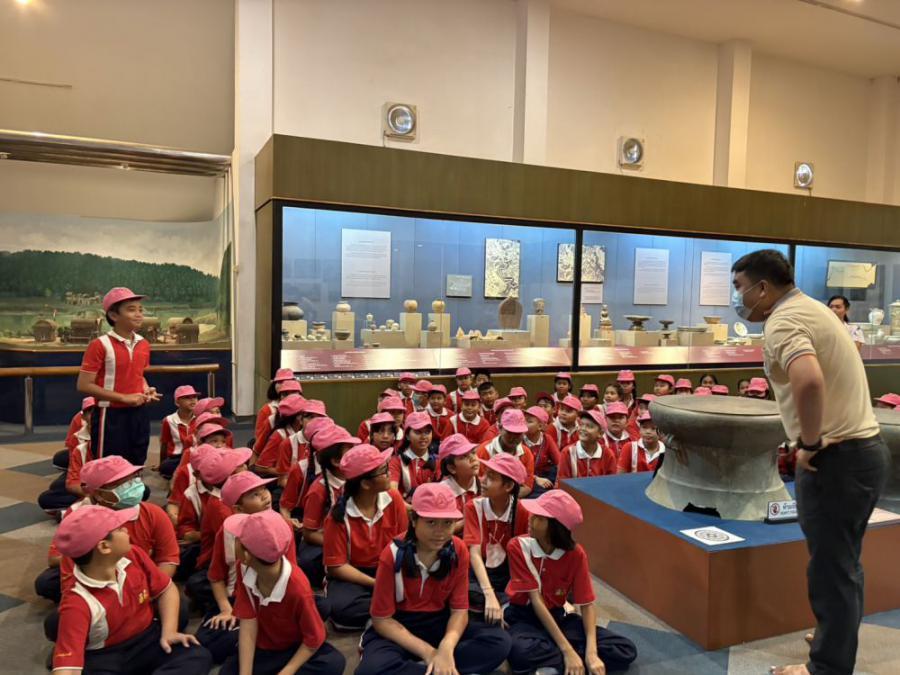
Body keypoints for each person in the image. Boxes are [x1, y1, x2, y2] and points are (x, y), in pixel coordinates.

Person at [732, 249, 888, 675]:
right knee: (843, 562)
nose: (737, 298)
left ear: (763, 287)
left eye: (739, 288)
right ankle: (833, 637)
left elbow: (809, 379)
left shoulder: (783, 321)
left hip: (837, 459)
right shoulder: (813, 308)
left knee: (831, 570)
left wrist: (811, 442)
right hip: (864, 451)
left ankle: (826, 667)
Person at [356, 483, 512, 675]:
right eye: (431, 522)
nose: (440, 531)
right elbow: (382, 620)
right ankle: (439, 668)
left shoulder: (458, 550)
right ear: (414, 520)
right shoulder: (393, 554)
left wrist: (447, 646)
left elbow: (459, 610)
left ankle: (429, 668)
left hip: (439, 621)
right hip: (400, 625)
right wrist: (429, 653)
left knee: (499, 643)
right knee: (371, 669)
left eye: (448, 523)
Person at [50, 505, 210, 675]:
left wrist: (169, 632)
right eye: (120, 529)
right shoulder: (77, 601)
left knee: (197, 656)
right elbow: (66, 668)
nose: (126, 530)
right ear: (104, 547)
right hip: (105, 655)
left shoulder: (134, 554)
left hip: (147, 637)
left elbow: (167, 589)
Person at [504, 490, 637, 675]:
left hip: (558, 617)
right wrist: (568, 651)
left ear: (555, 527)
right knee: (521, 652)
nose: (530, 519)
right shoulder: (518, 546)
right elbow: (536, 601)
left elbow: (587, 604)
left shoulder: (576, 554)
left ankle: (557, 664)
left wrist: (592, 653)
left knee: (625, 649)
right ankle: (570, 660)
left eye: (539, 518)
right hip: (523, 616)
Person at [36, 455, 178, 606]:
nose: (132, 485)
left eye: (133, 478)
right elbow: (57, 559)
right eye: (121, 484)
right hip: (94, 577)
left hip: (142, 575)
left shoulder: (153, 513)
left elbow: (168, 559)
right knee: (47, 584)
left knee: (176, 606)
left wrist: (147, 590)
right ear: (98, 493)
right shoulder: (78, 516)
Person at [221, 509, 345, 675]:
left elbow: (313, 638)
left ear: (246, 554)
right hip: (264, 649)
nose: (234, 540)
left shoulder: (298, 588)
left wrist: (288, 671)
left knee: (333, 662)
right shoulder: (243, 568)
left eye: (238, 539)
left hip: (294, 648)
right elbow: (248, 623)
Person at [200, 471, 285, 665]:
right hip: (236, 600)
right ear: (238, 508)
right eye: (255, 494)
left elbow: (289, 575)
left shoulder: (280, 526)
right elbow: (216, 577)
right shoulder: (227, 531)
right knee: (207, 642)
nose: (265, 496)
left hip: (270, 601)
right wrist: (226, 609)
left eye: (264, 489)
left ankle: (252, 640)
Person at [323, 444, 409, 631]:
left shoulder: (394, 499)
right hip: (355, 575)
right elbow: (337, 567)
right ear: (366, 484)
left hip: (390, 567)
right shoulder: (338, 516)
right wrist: (377, 583)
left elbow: (405, 543)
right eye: (383, 471)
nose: (389, 474)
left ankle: (383, 613)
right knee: (341, 609)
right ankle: (392, 613)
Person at [76, 287, 161, 465]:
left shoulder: (144, 344)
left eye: (140, 310)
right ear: (114, 316)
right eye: (131, 310)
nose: (138, 314)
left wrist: (146, 390)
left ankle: (134, 484)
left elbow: (138, 376)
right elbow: (84, 385)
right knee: (109, 466)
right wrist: (123, 397)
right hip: (110, 415)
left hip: (139, 413)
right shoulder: (99, 345)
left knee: (137, 461)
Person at [465, 454, 529, 621]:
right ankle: (499, 605)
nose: (483, 480)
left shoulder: (522, 511)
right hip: (479, 571)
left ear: (508, 486)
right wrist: (489, 594)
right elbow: (474, 554)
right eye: (485, 474)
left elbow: (523, 561)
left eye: (491, 477)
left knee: (521, 597)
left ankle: (502, 606)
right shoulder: (474, 506)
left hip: (508, 573)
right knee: (468, 590)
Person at [38, 396, 96, 514]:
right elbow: (73, 482)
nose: (94, 416)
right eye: (90, 412)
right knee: (48, 496)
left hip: (111, 483)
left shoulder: (116, 434)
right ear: (84, 416)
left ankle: (81, 508)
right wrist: (95, 496)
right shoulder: (79, 444)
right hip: (87, 481)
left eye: (97, 412)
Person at [475, 409, 536, 498]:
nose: (513, 437)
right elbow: (478, 484)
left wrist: (508, 500)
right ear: (500, 428)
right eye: (509, 433)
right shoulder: (484, 450)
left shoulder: (526, 453)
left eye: (518, 434)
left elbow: (527, 486)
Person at [557, 409, 617, 483]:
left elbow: (611, 482)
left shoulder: (608, 454)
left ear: (600, 433)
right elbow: (562, 483)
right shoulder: (568, 452)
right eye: (581, 425)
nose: (583, 429)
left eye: (589, 426)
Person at [391, 411, 439, 501]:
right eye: (418, 432)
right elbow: (392, 493)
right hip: (405, 506)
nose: (424, 436)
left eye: (427, 432)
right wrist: (411, 507)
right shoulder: (396, 461)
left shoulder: (437, 460)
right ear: (407, 435)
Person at [157, 385, 199, 479]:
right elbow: (164, 443)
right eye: (187, 397)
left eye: (194, 397)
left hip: (196, 455)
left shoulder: (200, 418)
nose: (193, 400)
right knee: (166, 467)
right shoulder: (168, 420)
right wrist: (161, 463)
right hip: (177, 457)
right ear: (177, 402)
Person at [437, 434, 481, 519]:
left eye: (473, 452)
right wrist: (468, 522)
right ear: (452, 468)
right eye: (463, 457)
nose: (473, 459)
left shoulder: (485, 487)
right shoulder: (441, 493)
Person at [254, 368, 299, 450]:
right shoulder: (267, 410)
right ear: (274, 385)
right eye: (280, 382)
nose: (285, 385)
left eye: (288, 381)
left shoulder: (303, 410)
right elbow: (259, 439)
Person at [523, 405, 560, 495]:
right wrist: (536, 478)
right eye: (523, 420)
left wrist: (557, 483)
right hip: (526, 478)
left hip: (544, 476)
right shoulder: (519, 440)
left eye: (529, 421)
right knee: (540, 493)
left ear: (540, 426)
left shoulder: (547, 439)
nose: (524, 423)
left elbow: (559, 462)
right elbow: (518, 469)